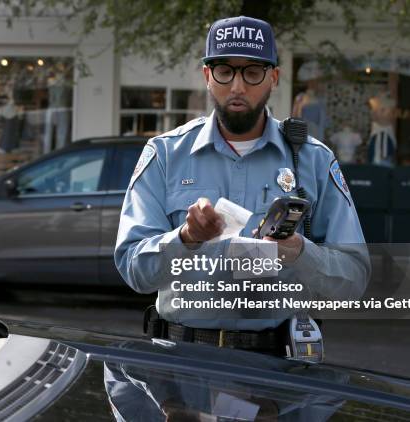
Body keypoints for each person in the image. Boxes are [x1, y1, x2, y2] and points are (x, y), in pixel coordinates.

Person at [114, 16, 369, 349]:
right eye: (224, 71)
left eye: (252, 72)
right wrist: (186, 238)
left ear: (273, 77)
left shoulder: (314, 160)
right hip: (182, 368)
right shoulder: (165, 154)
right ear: (207, 76)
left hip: (278, 369)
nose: (237, 87)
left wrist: (298, 252)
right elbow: (135, 270)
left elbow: (354, 279)